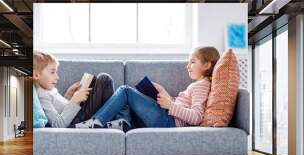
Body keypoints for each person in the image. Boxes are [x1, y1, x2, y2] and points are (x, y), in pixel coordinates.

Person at [75, 46, 220, 130]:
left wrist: (170, 105)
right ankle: (124, 122)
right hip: (168, 117)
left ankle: (97, 121)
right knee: (126, 100)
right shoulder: (197, 85)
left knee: (125, 91)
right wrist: (164, 94)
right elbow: (181, 105)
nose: (187, 66)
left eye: (192, 62)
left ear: (207, 65)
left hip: (169, 122)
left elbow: (196, 117)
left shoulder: (202, 86)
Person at [33, 51, 130, 129]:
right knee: (104, 79)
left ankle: (112, 123)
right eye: (52, 72)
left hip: (79, 113)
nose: (57, 77)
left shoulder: (48, 90)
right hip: (78, 120)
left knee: (101, 79)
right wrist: (74, 101)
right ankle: (115, 122)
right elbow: (58, 124)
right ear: (36, 75)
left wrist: (68, 96)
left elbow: (60, 108)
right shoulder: (42, 97)